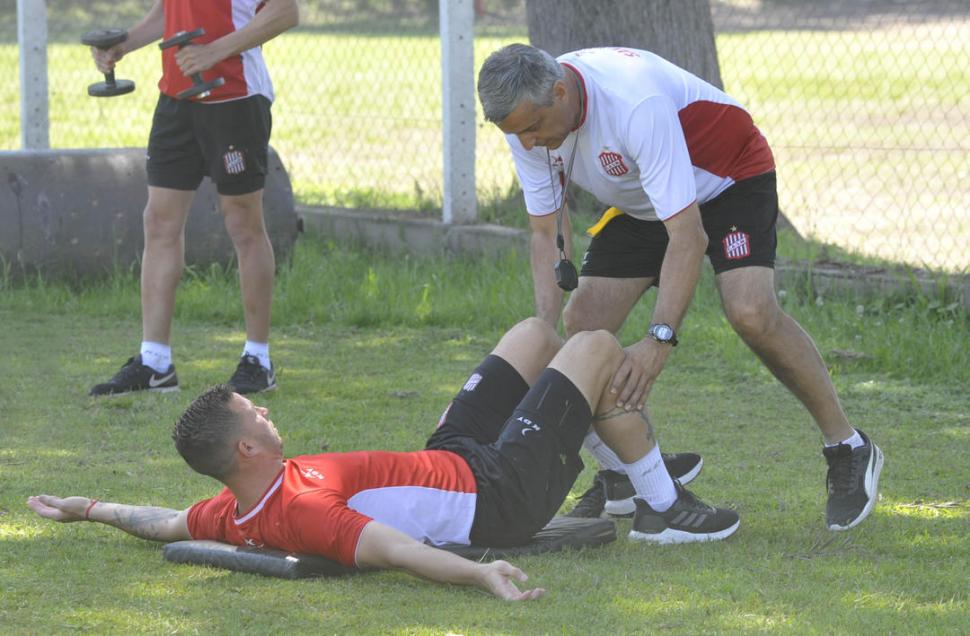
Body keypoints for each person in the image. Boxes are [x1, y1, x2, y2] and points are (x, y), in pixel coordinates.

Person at [29, 319, 739, 601]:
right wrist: (480, 573)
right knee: (592, 346)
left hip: (450, 459)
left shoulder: (237, 507)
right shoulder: (303, 513)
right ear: (244, 447)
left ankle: (610, 465)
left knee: (532, 335)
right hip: (499, 493)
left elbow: (165, 522)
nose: (267, 411)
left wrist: (86, 509)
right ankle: (656, 501)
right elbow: (397, 549)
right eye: (257, 414)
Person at [477, 44, 883, 531]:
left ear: (560, 92)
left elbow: (687, 236)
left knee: (751, 311)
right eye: (514, 133)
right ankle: (627, 469)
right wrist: (544, 339)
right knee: (581, 326)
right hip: (646, 200)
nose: (526, 143)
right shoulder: (527, 116)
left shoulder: (633, 103)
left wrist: (659, 339)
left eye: (531, 129)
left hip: (728, 179)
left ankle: (848, 447)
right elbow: (546, 233)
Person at [87, 0, 300, 397]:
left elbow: (285, 12)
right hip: (177, 100)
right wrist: (126, 44)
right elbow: (172, 11)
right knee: (159, 221)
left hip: (235, 97)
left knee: (243, 224)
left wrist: (218, 50)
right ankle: (155, 364)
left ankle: (258, 360)